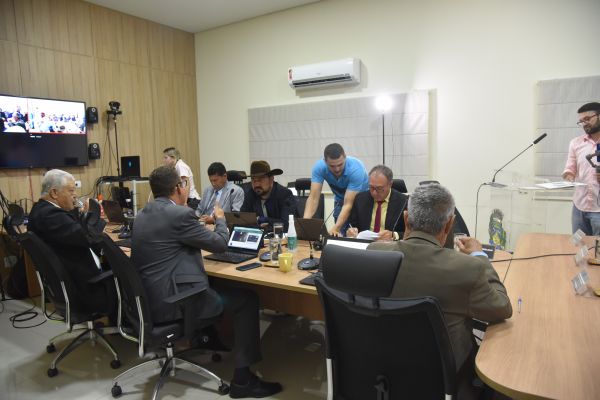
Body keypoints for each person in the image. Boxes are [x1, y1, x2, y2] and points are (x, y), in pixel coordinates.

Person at [132, 166, 282, 398]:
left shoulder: (142, 214)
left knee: (218, 284)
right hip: (175, 303)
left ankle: (209, 338)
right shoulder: (179, 215)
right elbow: (220, 244)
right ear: (178, 188)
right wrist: (221, 219)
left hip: (149, 300)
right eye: (183, 184)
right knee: (247, 299)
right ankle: (243, 380)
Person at [368, 183, 512, 389]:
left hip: (383, 373)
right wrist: (480, 256)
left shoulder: (374, 253)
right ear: (449, 224)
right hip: (442, 377)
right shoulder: (468, 268)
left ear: (406, 219)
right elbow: (502, 308)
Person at [27, 169, 116, 316]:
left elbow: (72, 229)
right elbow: (87, 237)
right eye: (71, 190)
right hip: (85, 287)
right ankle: (130, 323)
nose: (75, 195)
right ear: (54, 193)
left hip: (69, 284)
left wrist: (80, 213)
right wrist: (93, 215)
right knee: (129, 271)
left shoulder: (42, 210)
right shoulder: (50, 216)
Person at [303, 143, 368, 236]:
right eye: (332, 166)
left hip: (361, 203)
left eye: (340, 164)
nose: (337, 169)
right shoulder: (319, 167)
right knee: (339, 236)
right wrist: (304, 225)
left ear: (345, 158)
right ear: (325, 161)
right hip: (340, 201)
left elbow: (348, 204)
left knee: (359, 236)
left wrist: (335, 228)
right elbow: (313, 198)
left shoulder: (355, 169)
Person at [563, 102, 600, 235]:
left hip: (598, 210)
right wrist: (569, 176)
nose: (584, 123)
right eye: (581, 121)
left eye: (587, 119)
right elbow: (570, 167)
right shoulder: (576, 143)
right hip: (579, 207)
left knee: (597, 247)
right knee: (578, 245)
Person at [346, 165, 408, 241]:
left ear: (390, 184)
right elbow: (352, 225)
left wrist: (394, 235)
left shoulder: (404, 201)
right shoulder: (360, 199)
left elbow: (411, 232)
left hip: (390, 245)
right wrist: (351, 231)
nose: (374, 192)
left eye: (379, 188)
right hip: (365, 244)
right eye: (371, 187)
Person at [240, 160, 296, 232]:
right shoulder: (250, 194)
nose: (256, 184)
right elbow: (242, 220)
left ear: (271, 179)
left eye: (260, 179)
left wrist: (262, 220)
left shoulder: (284, 194)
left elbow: (287, 224)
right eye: (253, 180)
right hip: (259, 236)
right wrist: (259, 226)